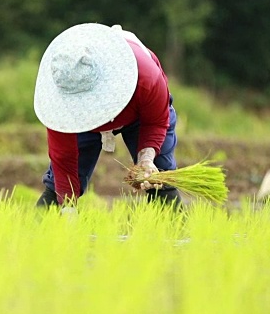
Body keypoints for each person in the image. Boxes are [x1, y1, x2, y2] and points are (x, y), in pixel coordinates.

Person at [33, 22, 182, 210]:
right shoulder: (59, 107)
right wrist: (68, 210)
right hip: (82, 123)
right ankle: (36, 235)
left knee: (159, 177)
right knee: (58, 188)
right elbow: (64, 158)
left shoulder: (145, 77)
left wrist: (146, 159)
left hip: (138, 115)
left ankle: (175, 238)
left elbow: (155, 122)